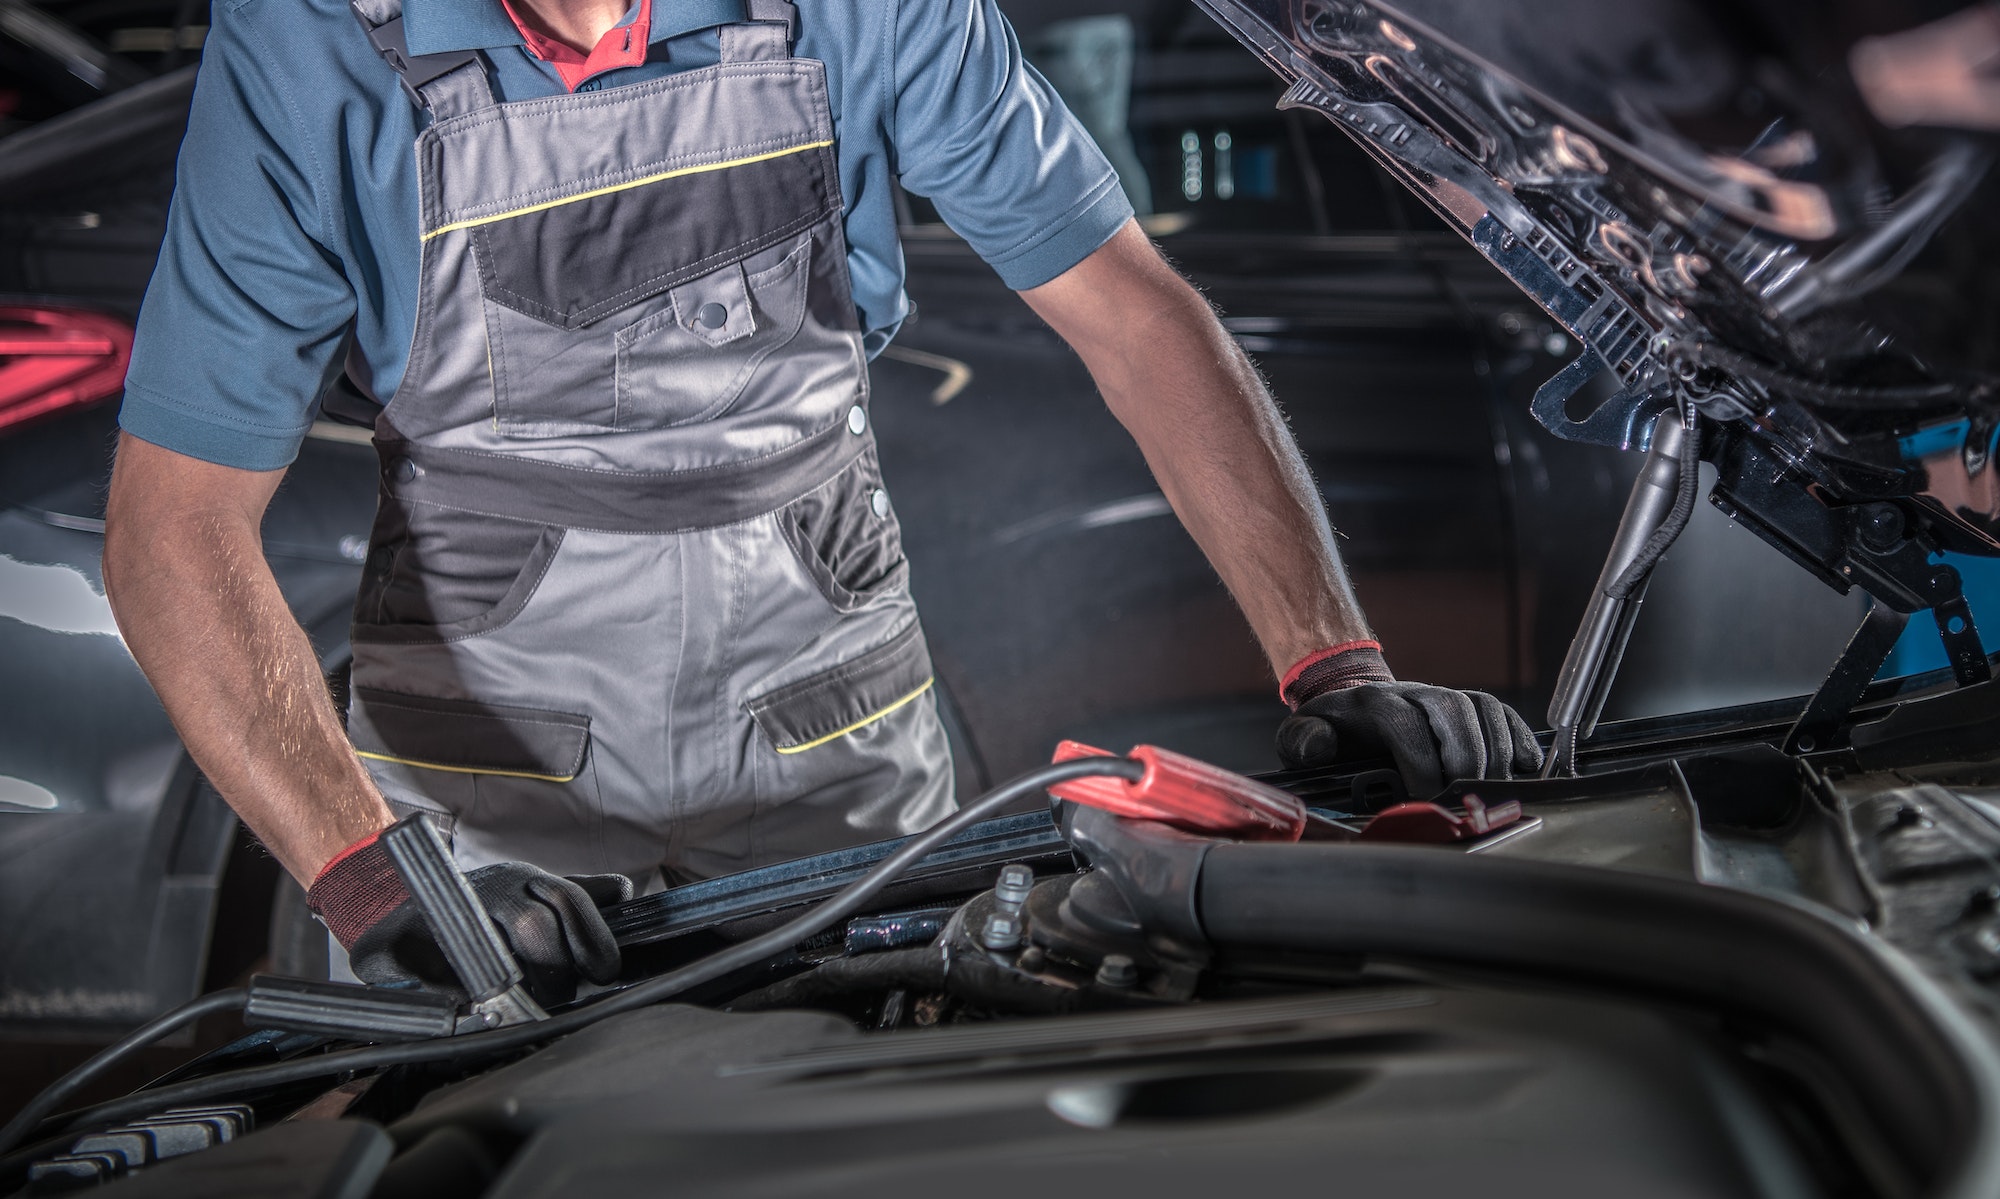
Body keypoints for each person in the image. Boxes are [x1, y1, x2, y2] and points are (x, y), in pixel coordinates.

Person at [100, 0, 1540, 1003]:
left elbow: (1137, 319)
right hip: (487, 805)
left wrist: (1331, 655)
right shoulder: (305, 42)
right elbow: (174, 524)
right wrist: (371, 880)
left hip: (834, 753)